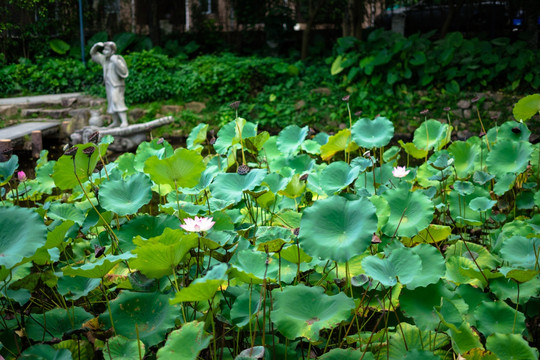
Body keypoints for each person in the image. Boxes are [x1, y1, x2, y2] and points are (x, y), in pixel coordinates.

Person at [90, 41, 129, 127]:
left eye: (107, 50)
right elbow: (93, 54)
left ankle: (124, 121)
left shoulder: (117, 58)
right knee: (111, 103)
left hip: (117, 85)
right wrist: (96, 46)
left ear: (112, 51)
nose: (104, 52)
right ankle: (116, 122)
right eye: (104, 50)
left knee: (117, 101)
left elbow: (124, 71)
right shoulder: (104, 59)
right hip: (109, 85)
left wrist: (116, 62)